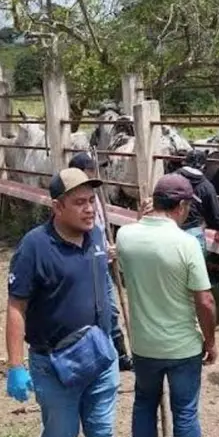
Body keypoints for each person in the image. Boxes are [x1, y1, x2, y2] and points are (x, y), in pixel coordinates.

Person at [5, 168, 135, 437]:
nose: (89, 209)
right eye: (79, 202)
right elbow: (16, 307)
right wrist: (15, 365)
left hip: (99, 356)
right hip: (53, 362)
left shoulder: (95, 236)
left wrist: (114, 336)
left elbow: (103, 288)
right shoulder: (34, 247)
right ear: (57, 206)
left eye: (91, 201)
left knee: (102, 433)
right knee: (62, 434)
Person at [116, 173, 218, 437]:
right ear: (182, 205)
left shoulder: (125, 236)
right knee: (185, 413)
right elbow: (205, 301)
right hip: (182, 345)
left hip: (144, 344)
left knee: (144, 405)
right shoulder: (186, 243)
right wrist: (210, 340)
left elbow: (126, 261)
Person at [68, 152, 133, 371]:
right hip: (86, 266)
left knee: (110, 309)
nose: (94, 174)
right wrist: (102, 251)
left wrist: (107, 248)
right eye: (90, 170)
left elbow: (100, 231)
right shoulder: (71, 207)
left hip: (101, 262)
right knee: (94, 310)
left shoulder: (96, 199)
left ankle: (119, 355)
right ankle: (98, 354)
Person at [176, 150, 219, 255]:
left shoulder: (169, 179)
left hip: (171, 227)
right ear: (203, 166)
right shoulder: (207, 186)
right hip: (193, 230)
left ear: (184, 162)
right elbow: (216, 214)